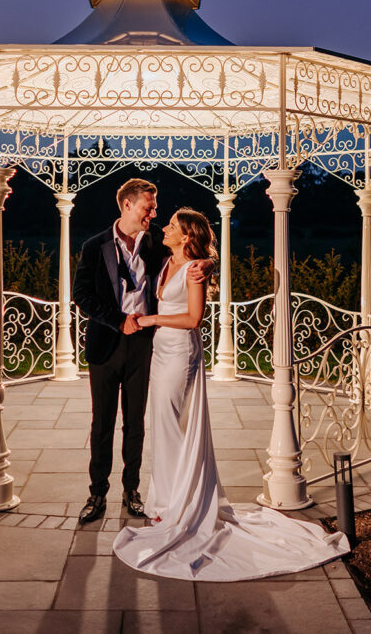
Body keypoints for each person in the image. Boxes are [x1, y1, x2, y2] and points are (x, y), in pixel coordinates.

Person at [112, 208, 350, 581]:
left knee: (174, 423)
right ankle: (165, 501)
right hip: (160, 351)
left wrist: (153, 319)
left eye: (173, 225)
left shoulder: (193, 269)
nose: (166, 228)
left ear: (186, 236)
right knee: (161, 423)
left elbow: (193, 318)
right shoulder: (167, 261)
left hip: (180, 351)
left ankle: (182, 506)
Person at [72, 178, 207, 524]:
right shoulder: (94, 246)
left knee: (136, 423)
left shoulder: (156, 245)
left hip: (146, 347)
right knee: (102, 422)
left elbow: (192, 255)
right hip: (106, 342)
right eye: (149, 207)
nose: (154, 214)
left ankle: (132, 490)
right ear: (128, 205)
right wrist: (119, 321)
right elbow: (82, 296)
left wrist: (211, 265)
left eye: (155, 208)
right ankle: (97, 493)